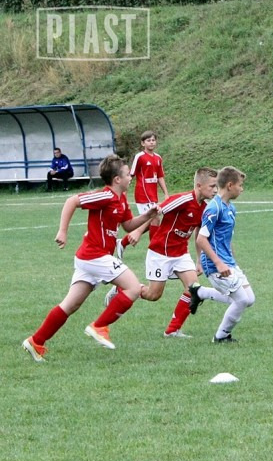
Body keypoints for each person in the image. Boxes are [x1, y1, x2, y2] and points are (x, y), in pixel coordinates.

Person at [21, 155, 159, 362]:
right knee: (133, 288)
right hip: (94, 255)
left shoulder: (121, 199)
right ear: (117, 179)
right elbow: (72, 201)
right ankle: (99, 326)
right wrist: (63, 231)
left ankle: (36, 341)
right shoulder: (105, 196)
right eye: (127, 174)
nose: (131, 177)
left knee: (70, 305)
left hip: (91, 259)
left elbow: (128, 225)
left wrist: (148, 216)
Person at [109, 167, 229, 338]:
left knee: (193, 289)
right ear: (199, 185)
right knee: (153, 295)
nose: (215, 190)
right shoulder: (182, 200)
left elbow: (199, 235)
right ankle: (123, 288)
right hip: (160, 252)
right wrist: (137, 231)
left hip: (181, 254)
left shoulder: (204, 208)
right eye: (212, 186)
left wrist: (199, 260)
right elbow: (155, 213)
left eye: (216, 186)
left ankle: (172, 330)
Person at [192, 166, 255, 343]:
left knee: (249, 299)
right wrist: (218, 263)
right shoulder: (214, 208)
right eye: (240, 185)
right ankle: (221, 336)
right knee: (241, 301)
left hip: (228, 262)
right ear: (230, 185)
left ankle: (201, 292)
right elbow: (201, 239)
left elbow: (226, 238)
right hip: (214, 264)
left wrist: (232, 261)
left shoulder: (231, 208)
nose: (242, 189)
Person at [118, 130, 169, 258]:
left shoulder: (158, 158)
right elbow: (131, 175)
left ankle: (123, 242)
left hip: (153, 195)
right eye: (148, 140)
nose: (151, 142)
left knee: (149, 222)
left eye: (153, 140)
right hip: (143, 194)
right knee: (155, 218)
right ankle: (154, 251)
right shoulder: (140, 157)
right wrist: (123, 193)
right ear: (143, 143)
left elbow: (160, 176)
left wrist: (166, 193)